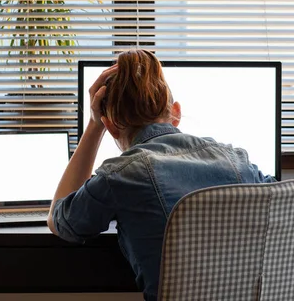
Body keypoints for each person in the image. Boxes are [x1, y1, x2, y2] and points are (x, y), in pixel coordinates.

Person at [47, 49, 275, 301]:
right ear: (175, 112)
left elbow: (60, 221)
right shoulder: (237, 160)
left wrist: (93, 125)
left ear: (110, 124)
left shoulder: (119, 176)